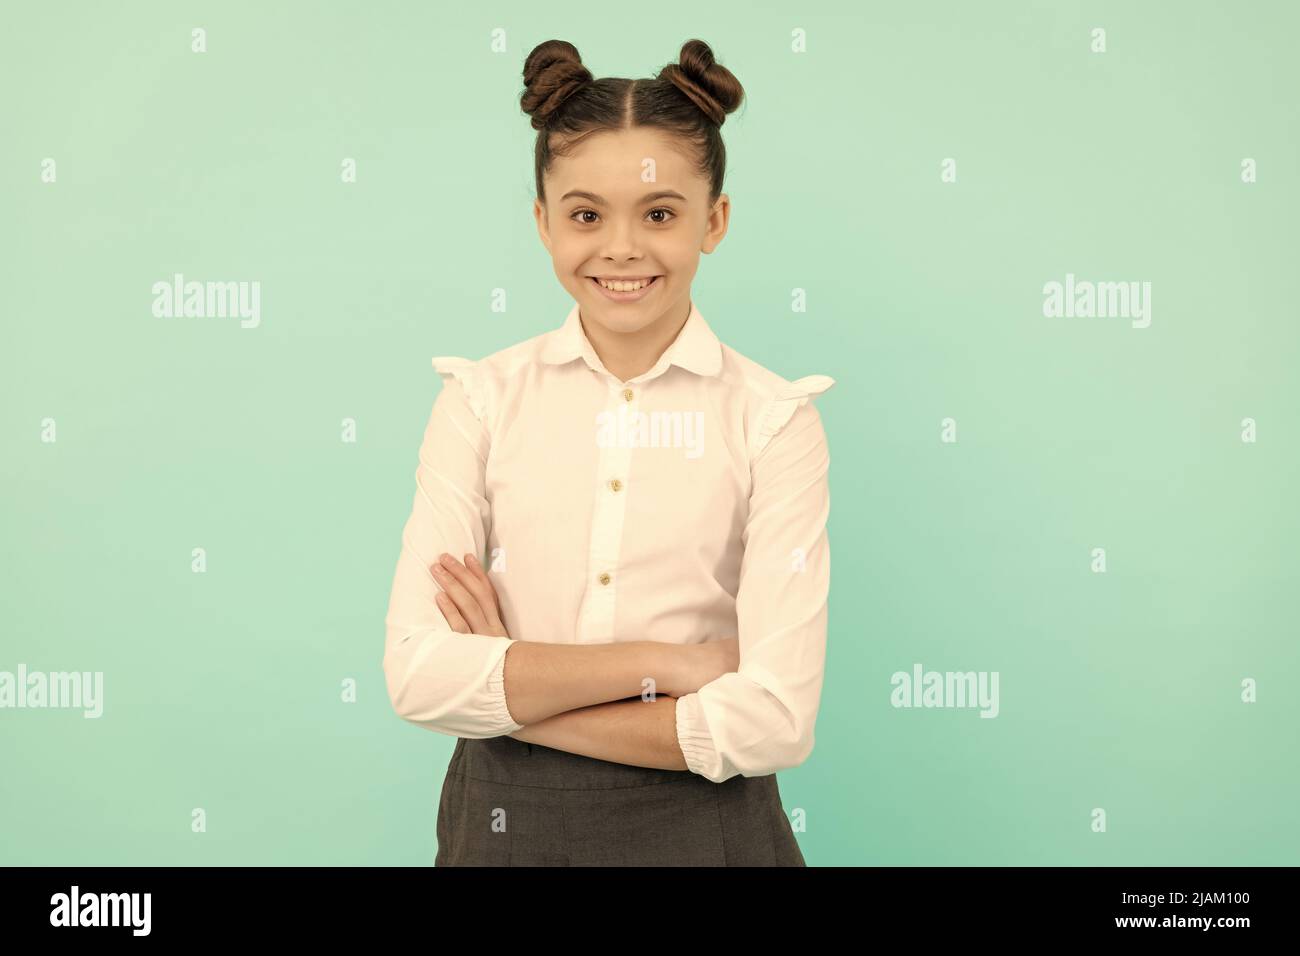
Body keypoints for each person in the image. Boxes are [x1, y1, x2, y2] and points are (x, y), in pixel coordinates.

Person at [383, 38, 834, 866]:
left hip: (705, 832)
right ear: (543, 221)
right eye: (586, 214)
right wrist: (675, 665)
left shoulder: (772, 421)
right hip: (503, 827)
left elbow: (772, 720)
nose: (621, 248)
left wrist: (511, 685)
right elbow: (418, 676)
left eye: (659, 214)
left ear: (714, 221)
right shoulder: (480, 400)